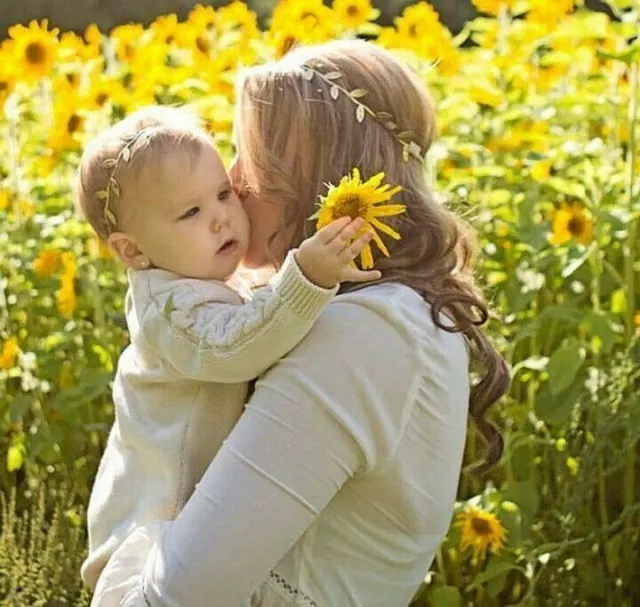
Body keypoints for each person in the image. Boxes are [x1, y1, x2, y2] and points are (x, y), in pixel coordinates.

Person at [98, 39, 510, 607]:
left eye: (250, 158)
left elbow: (179, 597)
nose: (234, 183)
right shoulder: (396, 312)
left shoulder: (365, 334)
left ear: (315, 174)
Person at [75, 105, 381, 602]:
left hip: (192, 530)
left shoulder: (196, 280)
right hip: (148, 536)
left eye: (223, 194)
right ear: (132, 251)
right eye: (191, 212)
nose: (221, 218)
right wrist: (306, 278)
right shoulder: (170, 310)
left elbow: (253, 309)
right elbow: (234, 347)